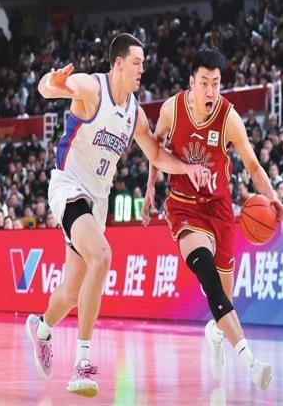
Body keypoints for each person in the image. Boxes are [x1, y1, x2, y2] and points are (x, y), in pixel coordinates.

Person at [25, 33, 209, 397]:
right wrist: (52, 81)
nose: (142, 69)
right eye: (137, 63)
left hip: (98, 200)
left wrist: (187, 168)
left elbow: (155, 154)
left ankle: (41, 328)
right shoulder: (92, 88)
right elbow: (49, 88)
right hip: (69, 186)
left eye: (144, 63)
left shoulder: (134, 114)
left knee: (72, 290)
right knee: (103, 256)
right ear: (119, 63)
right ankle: (83, 363)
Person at [142, 47, 283, 390]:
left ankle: (216, 334)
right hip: (183, 206)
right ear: (191, 82)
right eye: (204, 82)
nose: (210, 90)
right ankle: (252, 363)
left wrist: (274, 199)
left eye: (216, 83)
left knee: (224, 300)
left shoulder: (229, 118)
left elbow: (253, 165)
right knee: (207, 275)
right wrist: (150, 190)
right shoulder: (172, 109)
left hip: (218, 208)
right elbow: (155, 149)